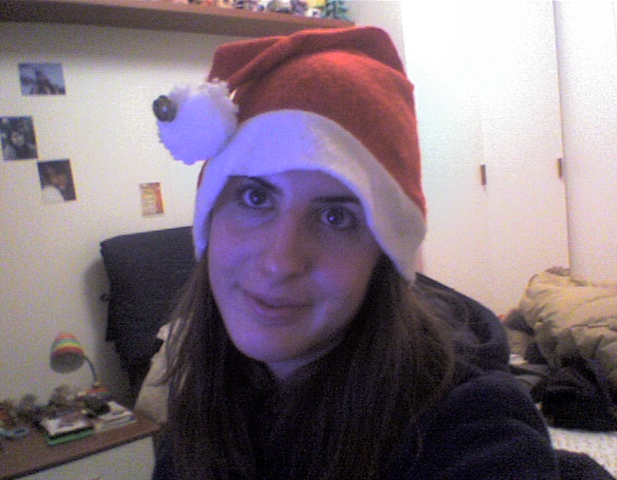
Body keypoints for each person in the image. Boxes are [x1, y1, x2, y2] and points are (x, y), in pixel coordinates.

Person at [150, 27, 560, 479]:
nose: (280, 261)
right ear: (210, 215)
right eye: (255, 197)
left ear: (383, 253)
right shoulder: (199, 401)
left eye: (335, 217)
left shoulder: (467, 425)